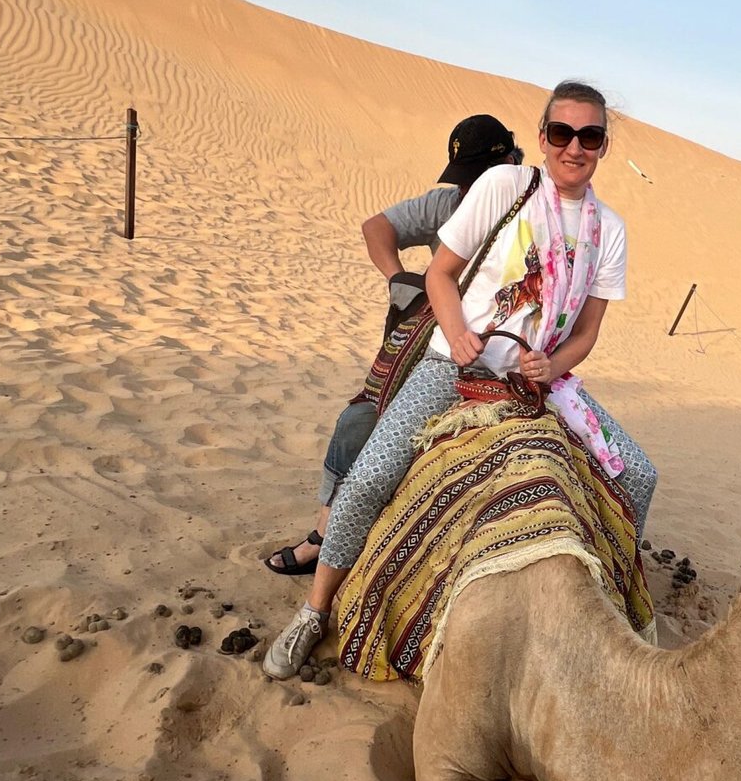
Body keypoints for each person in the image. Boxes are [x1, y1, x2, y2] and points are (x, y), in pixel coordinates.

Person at [263, 79, 656, 679]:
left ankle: (616, 612)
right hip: (454, 364)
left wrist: (554, 366)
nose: (574, 147)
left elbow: (587, 331)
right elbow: (441, 275)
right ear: (542, 137)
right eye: (562, 133)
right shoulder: (504, 187)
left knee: (640, 475)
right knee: (369, 477)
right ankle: (314, 611)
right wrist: (459, 333)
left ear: (603, 145)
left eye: (589, 136)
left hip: (537, 382)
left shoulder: (610, 230)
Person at [261, 113, 521, 575]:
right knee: (360, 419)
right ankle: (325, 535)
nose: (467, 189)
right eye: (463, 179)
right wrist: (399, 278)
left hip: (508, 356)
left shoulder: (534, 214)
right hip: (438, 346)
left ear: (507, 166)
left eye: (476, 177)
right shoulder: (452, 204)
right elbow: (376, 227)